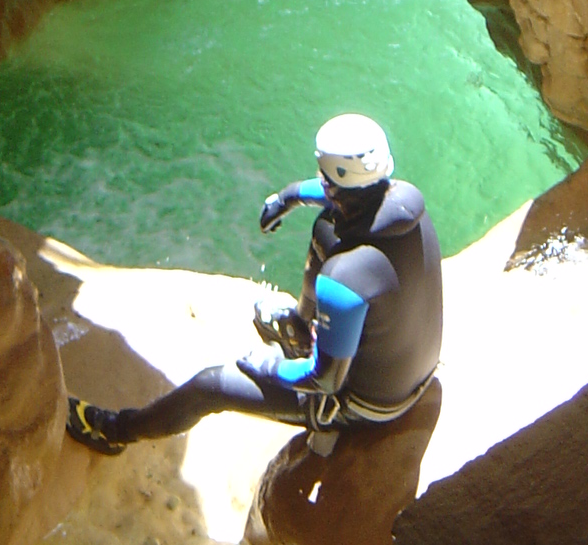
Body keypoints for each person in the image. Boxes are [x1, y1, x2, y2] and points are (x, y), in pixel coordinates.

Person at [65, 113, 443, 455]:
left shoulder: (342, 279)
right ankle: (298, 324)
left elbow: (323, 380)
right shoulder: (408, 208)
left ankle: (114, 431)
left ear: (331, 180)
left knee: (211, 386)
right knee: (325, 228)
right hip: (414, 374)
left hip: (367, 406)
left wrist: (268, 365)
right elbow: (343, 197)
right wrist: (288, 197)